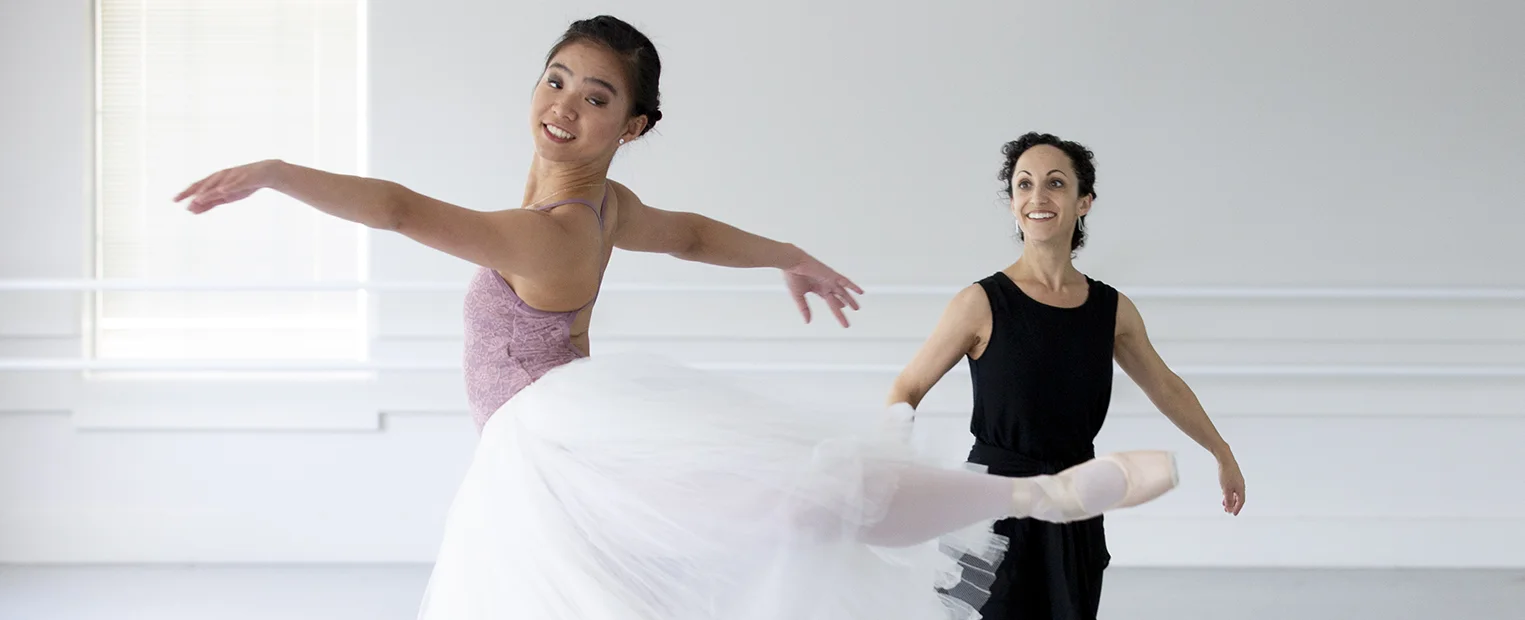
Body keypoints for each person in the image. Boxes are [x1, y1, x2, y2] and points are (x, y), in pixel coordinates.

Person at [173, 17, 1181, 620]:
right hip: (554, 439)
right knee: (741, 529)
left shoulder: (560, 228)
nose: (564, 105)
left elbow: (398, 208)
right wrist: (783, 253)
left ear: (634, 126)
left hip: (556, 436)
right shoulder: (604, 209)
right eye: (557, 78)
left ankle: (1039, 492)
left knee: (795, 501)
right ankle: (1033, 492)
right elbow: (690, 235)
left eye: (598, 97)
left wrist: (274, 172)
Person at [884, 132, 1246, 619]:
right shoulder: (981, 303)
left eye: (1055, 183)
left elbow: (1166, 385)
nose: (1038, 197)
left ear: (1084, 202)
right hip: (993, 507)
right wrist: (887, 462)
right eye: (1024, 184)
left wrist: (1221, 451)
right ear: (1013, 205)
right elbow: (908, 387)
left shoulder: (1111, 310)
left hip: (1076, 501)